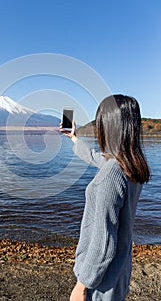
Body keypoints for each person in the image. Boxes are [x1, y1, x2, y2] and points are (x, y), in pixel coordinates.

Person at [60, 94, 150, 301]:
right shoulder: (131, 164)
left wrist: (82, 286)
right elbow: (96, 158)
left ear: (108, 126)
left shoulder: (111, 174)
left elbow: (103, 243)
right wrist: (74, 138)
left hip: (100, 284)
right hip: (120, 271)